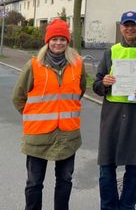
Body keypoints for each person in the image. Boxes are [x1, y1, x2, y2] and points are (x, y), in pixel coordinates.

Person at [12, 18, 86, 210]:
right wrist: (34, 114)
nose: (58, 43)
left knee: (65, 180)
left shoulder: (77, 65)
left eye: (62, 39)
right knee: (34, 183)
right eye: (54, 39)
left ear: (67, 41)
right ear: (48, 41)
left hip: (68, 136)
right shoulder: (33, 66)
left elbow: (80, 92)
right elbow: (18, 98)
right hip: (38, 136)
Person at [93, 11, 136, 210]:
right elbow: (96, 84)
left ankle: (127, 207)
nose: (130, 28)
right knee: (106, 169)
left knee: (133, 170)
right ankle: (109, 206)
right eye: (126, 25)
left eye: (133, 25)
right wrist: (104, 83)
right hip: (112, 117)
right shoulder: (110, 52)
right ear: (121, 27)